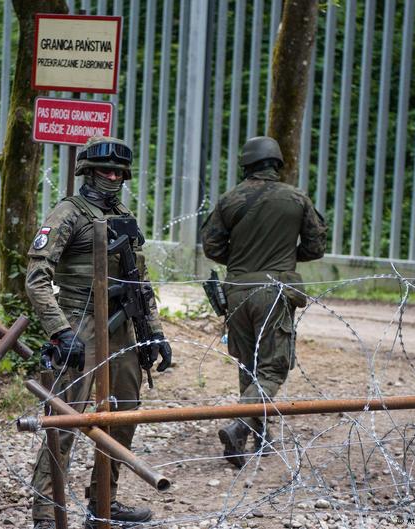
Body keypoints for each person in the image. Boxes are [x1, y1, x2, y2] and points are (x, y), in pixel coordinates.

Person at [25, 136, 172, 529]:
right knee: (65, 421)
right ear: (87, 172)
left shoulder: (124, 213)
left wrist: (154, 333)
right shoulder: (68, 213)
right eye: (104, 170)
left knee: (124, 416)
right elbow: (37, 277)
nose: (112, 177)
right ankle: (45, 512)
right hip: (81, 322)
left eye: (118, 172)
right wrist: (61, 330)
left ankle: (103, 502)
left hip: (124, 326)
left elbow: (139, 281)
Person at [200, 136, 327, 469]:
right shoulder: (296, 198)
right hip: (275, 290)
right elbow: (316, 247)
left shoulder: (230, 200)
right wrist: (284, 257)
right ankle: (240, 424)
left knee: (248, 363)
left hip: (237, 291)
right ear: (277, 164)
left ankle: (260, 435)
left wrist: (242, 259)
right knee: (273, 367)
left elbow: (212, 247)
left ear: (246, 164)